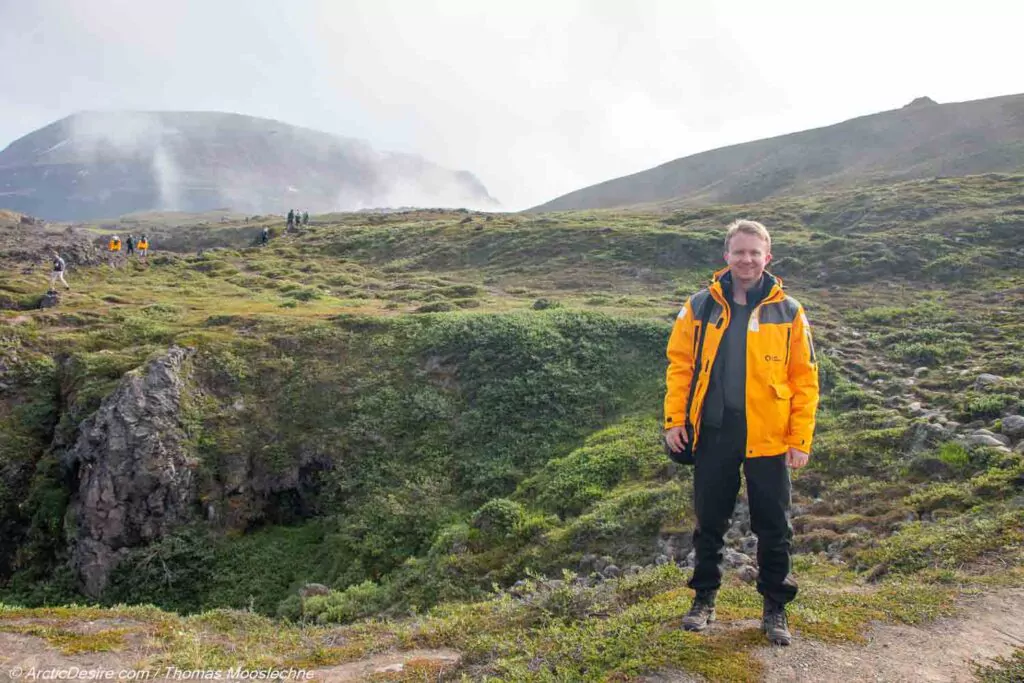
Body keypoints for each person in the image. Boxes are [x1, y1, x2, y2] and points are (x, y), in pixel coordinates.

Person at [664, 219, 819, 646]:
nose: (747, 259)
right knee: (709, 522)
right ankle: (704, 600)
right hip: (714, 431)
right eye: (739, 252)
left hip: (769, 435)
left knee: (774, 526)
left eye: (755, 252)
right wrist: (675, 421)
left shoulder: (789, 310)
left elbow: (804, 378)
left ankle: (775, 609)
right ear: (726, 256)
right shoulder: (700, 306)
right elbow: (681, 367)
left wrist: (798, 439)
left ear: (768, 257)